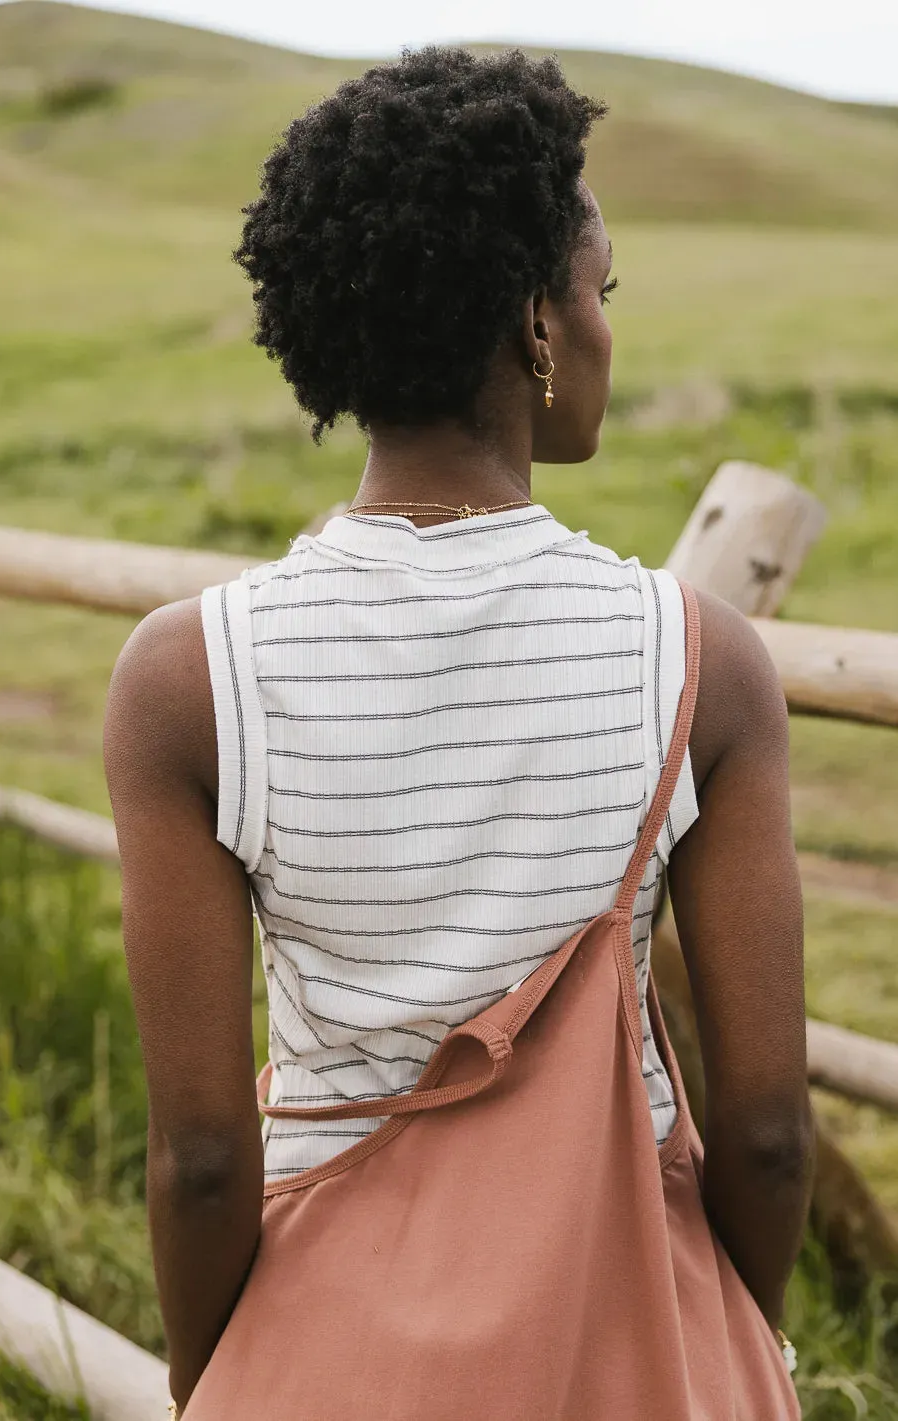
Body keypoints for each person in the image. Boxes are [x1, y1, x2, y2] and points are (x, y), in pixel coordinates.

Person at [103, 46, 814, 1417]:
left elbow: (199, 1157)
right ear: (536, 325)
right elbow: (773, 1135)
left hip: (326, 1343)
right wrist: (728, 1341)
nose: (609, 329)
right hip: (637, 1333)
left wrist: (222, 1382)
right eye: (601, 292)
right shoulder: (703, 663)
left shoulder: (188, 676)